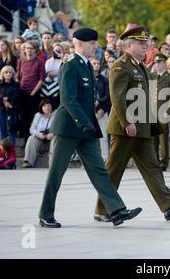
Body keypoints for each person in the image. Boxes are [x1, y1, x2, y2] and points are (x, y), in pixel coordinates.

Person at [39, 28, 142, 228]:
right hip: (69, 127)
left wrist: (88, 123)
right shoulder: (70, 65)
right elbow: (68, 99)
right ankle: (45, 214)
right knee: (56, 173)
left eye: (95, 43)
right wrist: (83, 121)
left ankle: (117, 209)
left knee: (99, 171)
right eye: (92, 44)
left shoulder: (85, 65)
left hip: (87, 128)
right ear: (79, 44)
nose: (95, 47)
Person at [93, 24, 170, 223]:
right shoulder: (121, 66)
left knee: (152, 167)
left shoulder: (139, 66)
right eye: (141, 44)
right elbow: (118, 97)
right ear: (129, 46)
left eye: (145, 43)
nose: (145, 47)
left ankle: (169, 206)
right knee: (114, 169)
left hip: (142, 127)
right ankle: (102, 210)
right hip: (127, 129)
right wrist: (126, 122)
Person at [150, 53, 170, 172]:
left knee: (163, 138)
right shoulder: (152, 76)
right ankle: (154, 162)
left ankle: (164, 162)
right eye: (156, 62)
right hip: (152, 111)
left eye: (160, 62)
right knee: (153, 139)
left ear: (165, 64)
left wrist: (168, 111)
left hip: (163, 111)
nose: (158, 64)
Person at [16, 40, 45, 140]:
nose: (29, 50)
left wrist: (33, 93)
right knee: (23, 117)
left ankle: (32, 138)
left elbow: (41, 79)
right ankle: (25, 138)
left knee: (32, 116)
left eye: (31, 48)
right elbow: (18, 76)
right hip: (22, 92)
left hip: (34, 93)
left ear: (35, 50)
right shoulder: (21, 60)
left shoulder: (40, 62)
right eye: (27, 48)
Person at [21, 99, 54, 168]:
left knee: (56, 139)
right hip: (40, 140)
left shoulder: (55, 115)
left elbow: (59, 129)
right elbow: (32, 129)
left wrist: (52, 135)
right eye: (44, 106)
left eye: (49, 105)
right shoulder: (38, 115)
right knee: (31, 138)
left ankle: (54, 163)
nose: (47, 108)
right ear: (41, 107)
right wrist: (38, 134)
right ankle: (28, 162)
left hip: (51, 141)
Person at [91, 57, 111, 162]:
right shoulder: (86, 79)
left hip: (102, 112)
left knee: (103, 136)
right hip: (90, 112)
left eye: (98, 63)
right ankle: (92, 158)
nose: (96, 65)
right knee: (91, 137)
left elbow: (107, 96)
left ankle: (105, 158)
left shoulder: (105, 80)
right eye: (94, 63)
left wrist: (101, 108)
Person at [0, 66, 19, 144]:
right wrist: (4, 101)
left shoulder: (16, 85)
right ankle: (2, 152)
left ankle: (11, 153)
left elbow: (17, 96)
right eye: (6, 72)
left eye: (10, 72)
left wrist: (7, 99)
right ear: (3, 74)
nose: (8, 74)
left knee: (12, 131)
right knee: (2, 131)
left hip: (12, 110)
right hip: (1, 110)